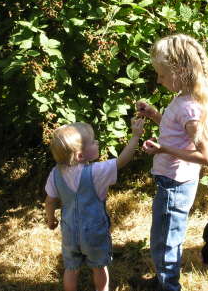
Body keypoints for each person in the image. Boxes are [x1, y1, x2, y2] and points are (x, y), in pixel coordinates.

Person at [136, 33, 208, 291]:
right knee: (162, 236)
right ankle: (163, 281)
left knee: (166, 239)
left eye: (161, 74)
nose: (158, 79)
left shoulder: (188, 109)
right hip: (172, 180)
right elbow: (176, 130)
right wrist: (154, 115)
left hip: (176, 184)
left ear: (182, 71)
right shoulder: (184, 99)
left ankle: (169, 286)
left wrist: (164, 150)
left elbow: (207, 157)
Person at [44, 119, 144, 291]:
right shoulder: (96, 172)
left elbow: (50, 200)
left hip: (69, 231)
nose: (96, 142)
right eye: (92, 142)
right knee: (99, 266)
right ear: (80, 156)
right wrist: (135, 136)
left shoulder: (55, 173)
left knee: (71, 268)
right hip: (94, 232)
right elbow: (122, 161)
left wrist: (50, 218)